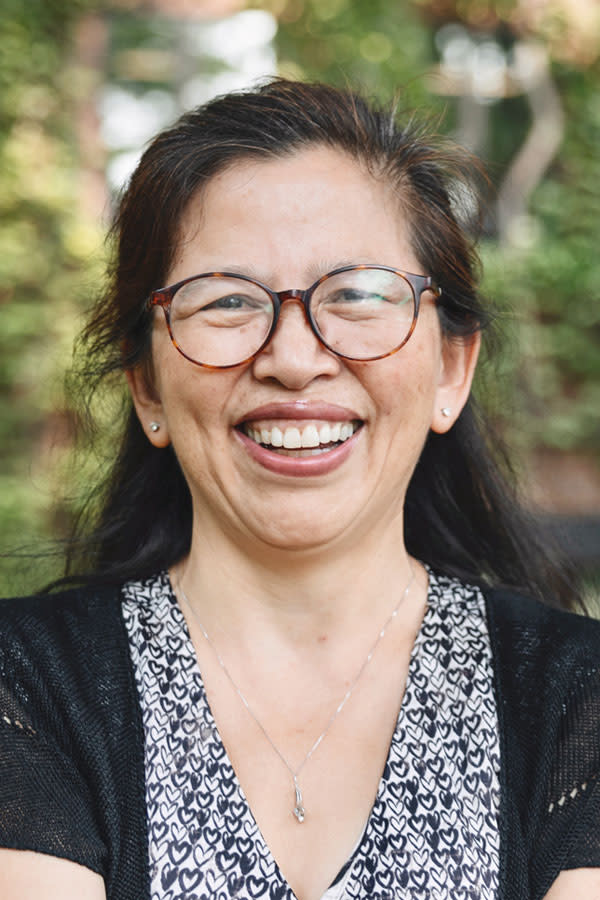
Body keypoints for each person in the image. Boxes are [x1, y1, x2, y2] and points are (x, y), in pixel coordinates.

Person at [0, 79, 598, 900]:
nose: (293, 356)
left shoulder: (580, 701)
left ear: (451, 369)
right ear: (147, 389)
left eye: (357, 293)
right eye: (228, 301)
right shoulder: (24, 689)